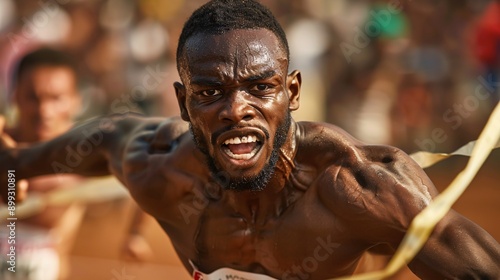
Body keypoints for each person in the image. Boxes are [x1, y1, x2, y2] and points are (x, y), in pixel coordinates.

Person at [2, 1, 499, 279]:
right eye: (210, 91)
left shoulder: (356, 188)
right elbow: (63, 150)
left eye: (261, 88)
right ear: (182, 103)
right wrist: (12, 175)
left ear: (293, 91)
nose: (237, 109)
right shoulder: (158, 168)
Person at [0, 47, 85, 280]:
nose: (44, 111)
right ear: (15, 96)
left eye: (56, 98)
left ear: (75, 101)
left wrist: (134, 235)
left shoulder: (88, 157)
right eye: (33, 97)